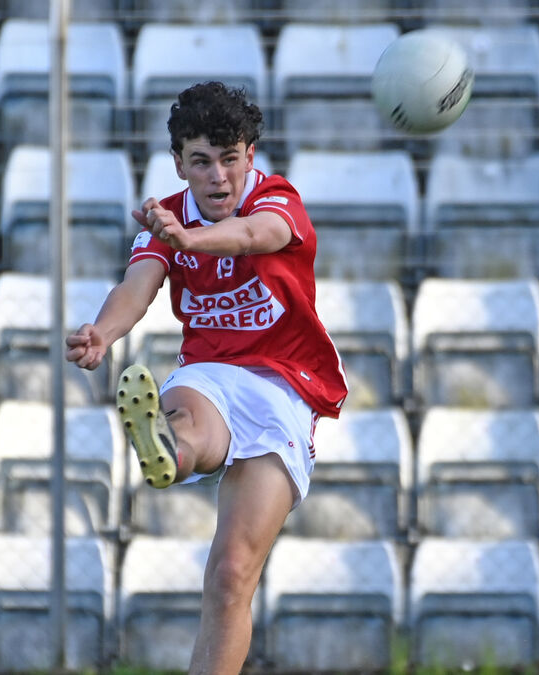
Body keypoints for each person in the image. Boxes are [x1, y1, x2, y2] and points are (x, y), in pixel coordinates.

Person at [65, 81, 347, 675]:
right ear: (180, 164)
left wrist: (191, 239)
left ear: (249, 154)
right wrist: (102, 333)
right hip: (211, 371)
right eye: (201, 161)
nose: (218, 175)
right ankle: (169, 446)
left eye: (229, 157)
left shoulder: (276, 199)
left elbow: (254, 236)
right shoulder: (167, 221)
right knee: (192, 424)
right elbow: (135, 288)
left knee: (230, 576)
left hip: (283, 385)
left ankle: (174, 444)